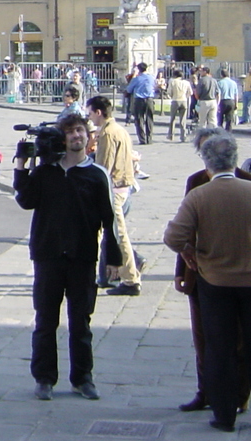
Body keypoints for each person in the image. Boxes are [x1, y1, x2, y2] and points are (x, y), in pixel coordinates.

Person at [14, 114, 121, 401]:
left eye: (80, 131)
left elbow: (110, 220)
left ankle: (82, 378)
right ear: (63, 138)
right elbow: (25, 201)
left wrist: (113, 258)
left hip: (82, 257)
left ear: (88, 137)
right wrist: (22, 165)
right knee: (46, 320)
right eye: (70, 132)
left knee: (80, 321)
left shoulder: (96, 174)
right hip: (47, 256)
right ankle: (44, 378)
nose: (76, 136)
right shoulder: (46, 172)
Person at [164, 131, 251, 432]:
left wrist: (190, 254)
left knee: (219, 348)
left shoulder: (199, 195)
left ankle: (224, 415)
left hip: (214, 281)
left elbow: (173, 236)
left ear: (207, 162)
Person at [87, 96, 141, 296]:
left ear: (98, 112)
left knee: (119, 236)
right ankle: (115, 273)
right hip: (123, 186)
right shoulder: (120, 130)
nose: (90, 117)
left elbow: (103, 167)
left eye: (91, 113)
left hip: (114, 190)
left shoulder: (108, 133)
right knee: (113, 235)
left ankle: (130, 278)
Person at [127, 62, 156, 144]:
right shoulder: (151, 78)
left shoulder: (136, 79)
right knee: (149, 118)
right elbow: (155, 86)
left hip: (139, 99)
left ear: (139, 69)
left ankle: (142, 139)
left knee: (139, 119)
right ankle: (149, 138)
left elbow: (129, 89)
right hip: (150, 99)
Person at [167, 68, 192, 141]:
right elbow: (190, 92)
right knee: (183, 120)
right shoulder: (186, 82)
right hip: (184, 100)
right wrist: (186, 96)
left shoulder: (172, 81)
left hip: (175, 100)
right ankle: (183, 136)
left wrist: (172, 96)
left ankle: (171, 135)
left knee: (172, 118)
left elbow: (169, 92)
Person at [216, 68, 240, 132]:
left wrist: (217, 104)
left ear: (221, 75)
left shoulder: (220, 83)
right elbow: (236, 95)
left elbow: (219, 94)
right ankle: (228, 132)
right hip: (231, 101)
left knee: (220, 118)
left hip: (223, 101)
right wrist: (236, 103)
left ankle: (220, 132)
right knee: (229, 119)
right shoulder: (233, 83)